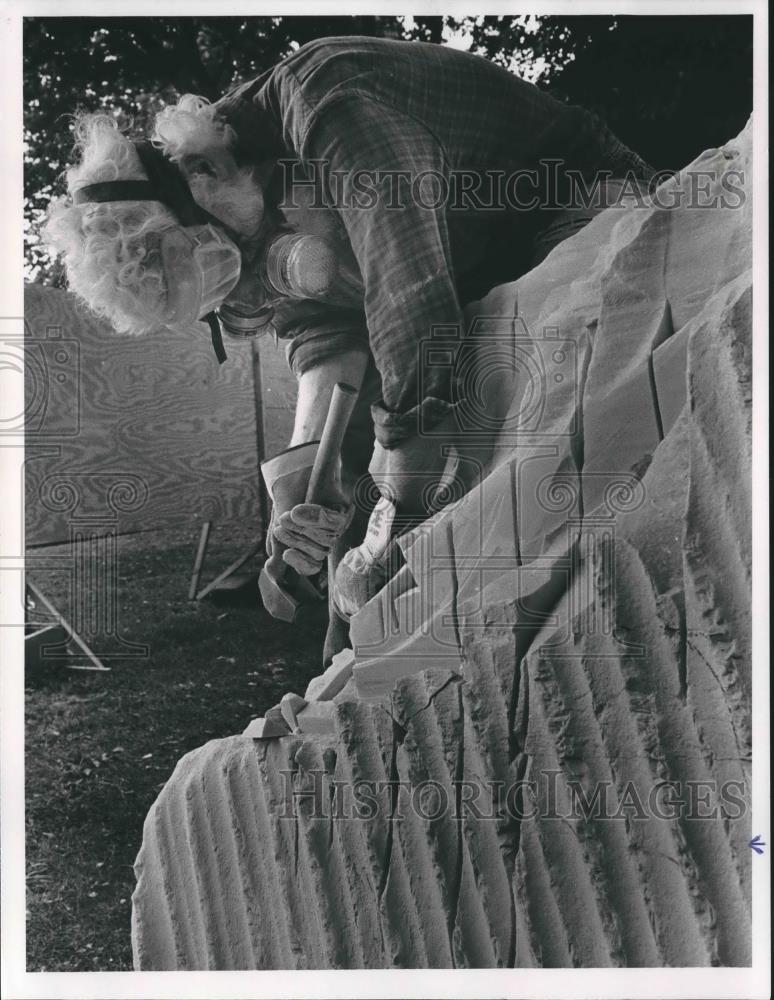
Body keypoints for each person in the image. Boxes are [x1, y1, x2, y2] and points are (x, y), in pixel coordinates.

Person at [45, 35, 654, 663]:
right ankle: (361, 657)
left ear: (203, 176)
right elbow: (323, 334)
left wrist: (402, 516)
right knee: (384, 472)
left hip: (580, 203)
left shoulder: (333, 104)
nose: (248, 284)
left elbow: (409, 303)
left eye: (222, 262)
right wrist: (300, 487)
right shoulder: (247, 200)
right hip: (482, 283)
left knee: (513, 407)